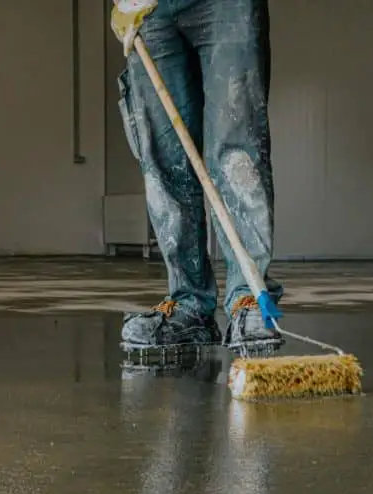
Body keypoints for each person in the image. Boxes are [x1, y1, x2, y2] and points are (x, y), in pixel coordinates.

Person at [110, 0, 284, 355]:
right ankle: (188, 303)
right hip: (149, 8)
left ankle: (249, 298)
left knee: (237, 149)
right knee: (165, 157)